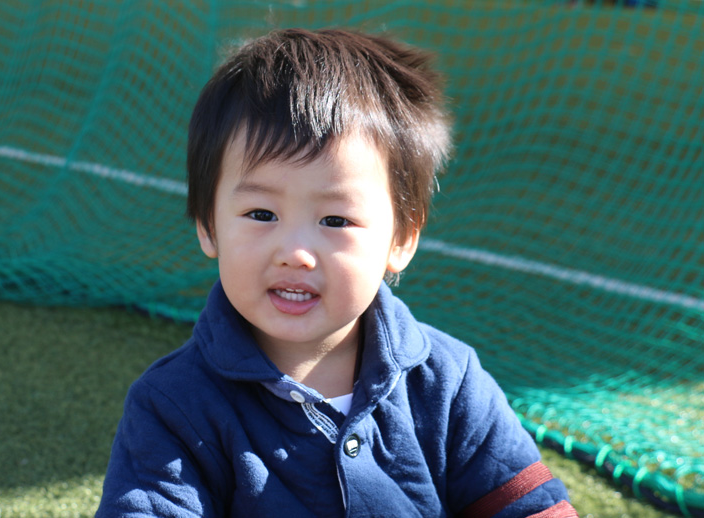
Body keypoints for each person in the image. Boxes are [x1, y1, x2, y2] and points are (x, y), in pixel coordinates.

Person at [97, 28, 578, 517]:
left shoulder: (449, 381)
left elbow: (531, 506)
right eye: (262, 214)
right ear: (208, 225)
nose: (296, 254)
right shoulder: (172, 405)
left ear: (401, 239)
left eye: (335, 220)